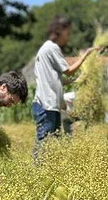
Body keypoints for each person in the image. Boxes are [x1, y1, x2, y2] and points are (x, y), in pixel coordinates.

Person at [32, 15, 97, 157]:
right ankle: (37, 170)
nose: (68, 37)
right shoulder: (52, 48)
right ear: (60, 30)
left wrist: (75, 80)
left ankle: (47, 169)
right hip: (46, 104)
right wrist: (85, 55)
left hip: (49, 103)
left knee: (54, 140)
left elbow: (56, 78)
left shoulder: (46, 49)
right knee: (45, 141)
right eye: (68, 33)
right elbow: (68, 71)